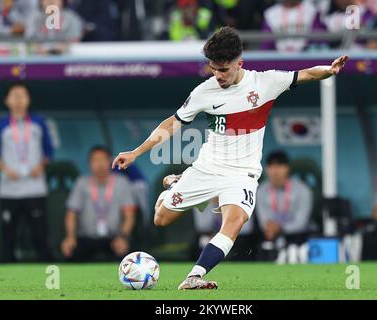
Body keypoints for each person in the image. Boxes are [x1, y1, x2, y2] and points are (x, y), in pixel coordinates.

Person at [112, 26, 348, 290]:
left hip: (242, 173)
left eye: (224, 69)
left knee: (234, 223)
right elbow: (173, 124)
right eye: (213, 68)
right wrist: (136, 151)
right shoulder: (204, 91)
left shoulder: (265, 83)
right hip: (208, 167)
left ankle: (194, 276)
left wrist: (329, 69)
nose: (218, 75)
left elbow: (304, 74)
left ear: (240, 63)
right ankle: (178, 183)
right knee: (161, 218)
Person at [0, 82, 54, 262]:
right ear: (6, 100)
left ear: (29, 99)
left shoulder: (39, 123)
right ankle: (5, 278)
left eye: (22, 95)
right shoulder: (0, 125)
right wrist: (6, 169)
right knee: (8, 237)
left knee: (40, 236)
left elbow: (49, 152)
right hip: (9, 190)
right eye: (14, 96)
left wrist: (41, 166)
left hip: (35, 188)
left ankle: (49, 275)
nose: (18, 100)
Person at [61, 146, 137, 262]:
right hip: (86, 238)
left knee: (128, 257)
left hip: (115, 238)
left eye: (103, 159)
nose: (99, 164)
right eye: (95, 160)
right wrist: (70, 238)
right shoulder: (81, 183)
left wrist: (123, 237)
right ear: (89, 163)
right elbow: (71, 214)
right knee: (71, 252)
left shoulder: (122, 182)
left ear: (110, 161)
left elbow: (129, 216)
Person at [256, 151, 313, 245]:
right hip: (270, 235)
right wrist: (272, 228)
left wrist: (280, 228)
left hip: (297, 237)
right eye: (271, 166)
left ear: (287, 168)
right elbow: (263, 222)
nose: (275, 170)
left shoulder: (302, 189)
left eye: (280, 165)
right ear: (266, 169)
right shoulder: (261, 190)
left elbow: (301, 223)